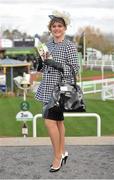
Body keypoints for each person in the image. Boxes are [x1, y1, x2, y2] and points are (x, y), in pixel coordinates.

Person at [35, 10, 80, 172]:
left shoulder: (69, 45)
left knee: (49, 121)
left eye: (59, 26)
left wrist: (56, 64)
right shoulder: (46, 45)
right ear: (50, 28)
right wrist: (39, 63)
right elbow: (42, 68)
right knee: (58, 122)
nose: (57, 28)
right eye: (54, 26)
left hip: (62, 88)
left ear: (65, 28)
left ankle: (57, 157)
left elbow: (75, 69)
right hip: (47, 86)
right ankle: (62, 152)